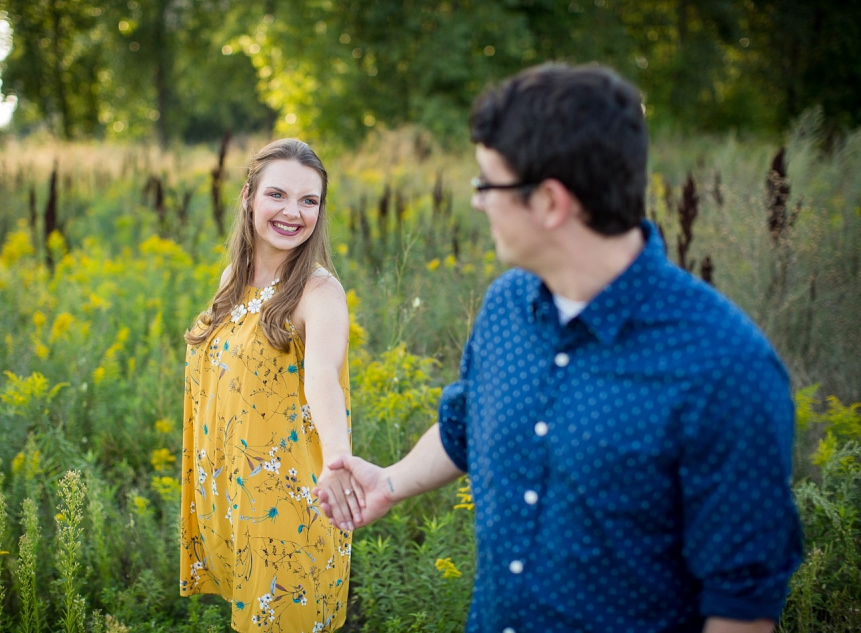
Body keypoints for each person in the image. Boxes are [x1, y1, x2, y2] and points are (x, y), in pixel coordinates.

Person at [315, 64, 803, 633]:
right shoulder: (505, 307)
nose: (477, 202)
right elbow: (466, 425)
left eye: (487, 184)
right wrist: (390, 483)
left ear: (550, 202)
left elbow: (741, 609)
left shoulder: (724, 369)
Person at [180, 138, 362, 633]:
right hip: (237, 496)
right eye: (277, 195)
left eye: (309, 201)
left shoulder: (319, 291)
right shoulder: (232, 281)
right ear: (248, 197)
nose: (293, 213)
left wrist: (340, 463)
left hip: (288, 506)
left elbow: (324, 380)